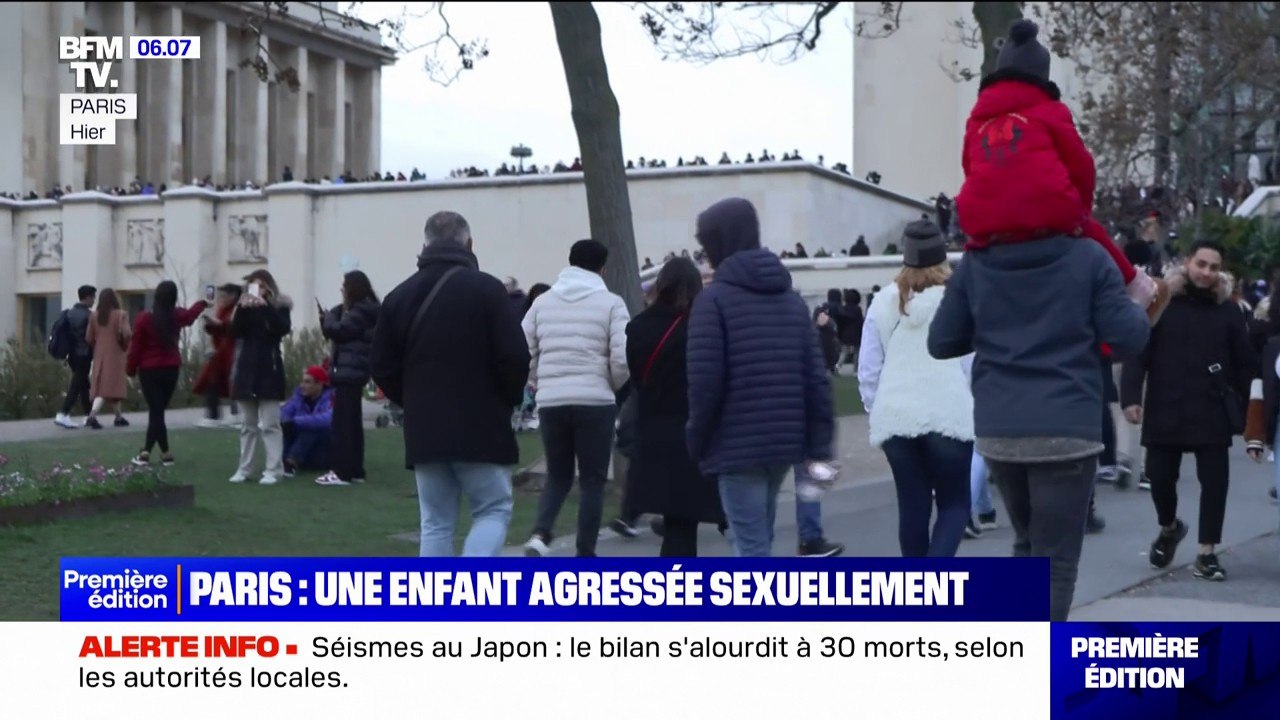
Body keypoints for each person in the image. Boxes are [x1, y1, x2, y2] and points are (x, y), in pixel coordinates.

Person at [928, 214, 1150, 622]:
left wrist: (993, 329)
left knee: (1027, 544)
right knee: (1057, 561)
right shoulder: (1089, 257)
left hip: (1002, 425)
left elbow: (941, 341)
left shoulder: (978, 263)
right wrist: (1139, 301)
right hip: (1067, 424)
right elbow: (1129, 337)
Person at [954, 20, 1164, 322]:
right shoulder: (1050, 110)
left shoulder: (977, 120)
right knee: (1088, 227)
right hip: (1046, 208)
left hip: (985, 221)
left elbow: (969, 166)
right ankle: (1134, 283)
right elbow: (1081, 165)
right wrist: (1079, 209)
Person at [371, 210, 530, 556]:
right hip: (482, 422)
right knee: (492, 510)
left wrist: (411, 397)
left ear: (424, 244)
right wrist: (506, 398)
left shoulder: (398, 297)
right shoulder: (488, 289)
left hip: (425, 426)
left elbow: (381, 366)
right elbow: (514, 357)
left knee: (436, 522)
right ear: (469, 244)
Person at [686, 197, 834, 557]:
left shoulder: (714, 302)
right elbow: (816, 379)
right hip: (785, 441)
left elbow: (705, 383)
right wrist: (819, 443)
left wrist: (697, 439)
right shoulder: (791, 301)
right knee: (756, 539)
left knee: (750, 547)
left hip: (737, 444)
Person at [1121, 242, 1259, 581]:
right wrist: (1130, 397)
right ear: (1187, 263)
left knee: (1215, 483)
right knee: (1159, 478)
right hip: (1165, 407)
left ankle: (1206, 553)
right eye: (1201, 264)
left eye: (1214, 267)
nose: (1206, 272)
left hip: (1211, 409)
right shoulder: (1162, 301)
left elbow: (1245, 364)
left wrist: (1249, 414)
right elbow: (1138, 351)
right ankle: (1169, 528)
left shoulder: (1228, 311)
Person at [859, 221, 974, 557]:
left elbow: (869, 370)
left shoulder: (883, 302)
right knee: (954, 504)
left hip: (896, 415)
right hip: (947, 412)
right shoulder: (958, 302)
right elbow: (971, 364)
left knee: (912, 506)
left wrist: (876, 409)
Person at [521, 239, 631, 558]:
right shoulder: (611, 303)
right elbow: (621, 358)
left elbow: (523, 348)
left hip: (552, 401)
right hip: (595, 401)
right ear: (602, 268)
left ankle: (541, 533)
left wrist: (539, 381)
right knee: (593, 480)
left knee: (558, 473)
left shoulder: (543, 303)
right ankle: (585, 551)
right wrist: (609, 384)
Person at [622, 258, 725, 556]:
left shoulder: (638, 327)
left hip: (652, 432)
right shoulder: (700, 327)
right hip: (689, 433)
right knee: (683, 527)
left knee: (676, 524)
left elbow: (637, 380)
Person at [125, 281, 209, 466]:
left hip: (149, 370)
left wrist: (130, 371)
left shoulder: (144, 319)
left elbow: (136, 348)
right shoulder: (176, 316)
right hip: (171, 369)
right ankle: (163, 452)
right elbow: (190, 315)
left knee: (156, 412)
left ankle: (148, 452)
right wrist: (202, 303)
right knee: (158, 411)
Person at [316, 271, 381, 486]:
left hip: (349, 371)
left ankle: (341, 471)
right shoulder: (367, 309)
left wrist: (328, 318)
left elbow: (340, 330)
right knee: (352, 423)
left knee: (342, 424)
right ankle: (355, 470)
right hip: (355, 370)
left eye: (345, 285)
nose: (342, 289)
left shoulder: (359, 311)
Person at [228, 269, 293, 486]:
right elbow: (235, 332)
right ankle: (244, 468)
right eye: (254, 286)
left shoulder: (279, 307)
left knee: (271, 424)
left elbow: (282, 328)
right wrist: (241, 308)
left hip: (269, 370)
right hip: (247, 371)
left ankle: (274, 470)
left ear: (269, 288)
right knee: (247, 426)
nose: (258, 291)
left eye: (262, 286)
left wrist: (265, 307)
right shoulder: (245, 308)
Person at [193, 283, 242, 428]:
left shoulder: (238, 309)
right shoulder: (222, 310)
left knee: (234, 381)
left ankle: (236, 413)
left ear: (233, 296)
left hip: (233, 351)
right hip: (221, 351)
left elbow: (234, 328)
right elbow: (220, 329)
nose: (221, 299)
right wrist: (211, 325)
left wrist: (220, 325)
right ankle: (213, 414)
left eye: (224, 296)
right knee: (212, 380)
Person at [83, 288, 131, 429]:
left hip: (100, 354)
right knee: (107, 387)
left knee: (107, 385)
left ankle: (118, 417)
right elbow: (127, 334)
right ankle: (92, 415)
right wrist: (123, 345)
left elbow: (88, 337)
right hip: (115, 354)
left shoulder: (94, 316)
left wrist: (97, 345)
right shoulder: (120, 315)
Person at [54, 285, 96, 429]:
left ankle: (89, 415)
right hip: (84, 353)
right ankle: (63, 413)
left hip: (71, 354)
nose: (94, 300)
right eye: (93, 297)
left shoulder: (69, 313)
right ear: (88, 297)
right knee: (77, 385)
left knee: (84, 384)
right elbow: (92, 337)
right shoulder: (90, 315)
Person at [281, 366, 335, 475]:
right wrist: (286, 422)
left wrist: (296, 422)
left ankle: (291, 463)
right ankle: (283, 461)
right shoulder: (298, 397)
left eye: (307, 382)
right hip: (305, 450)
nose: (302, 386)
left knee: (311, 427)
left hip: (325, 452)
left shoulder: (331, 397)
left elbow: (329, 419)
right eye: (302, 381)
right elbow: (283, 413)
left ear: (319, 385)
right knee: (287, 426)